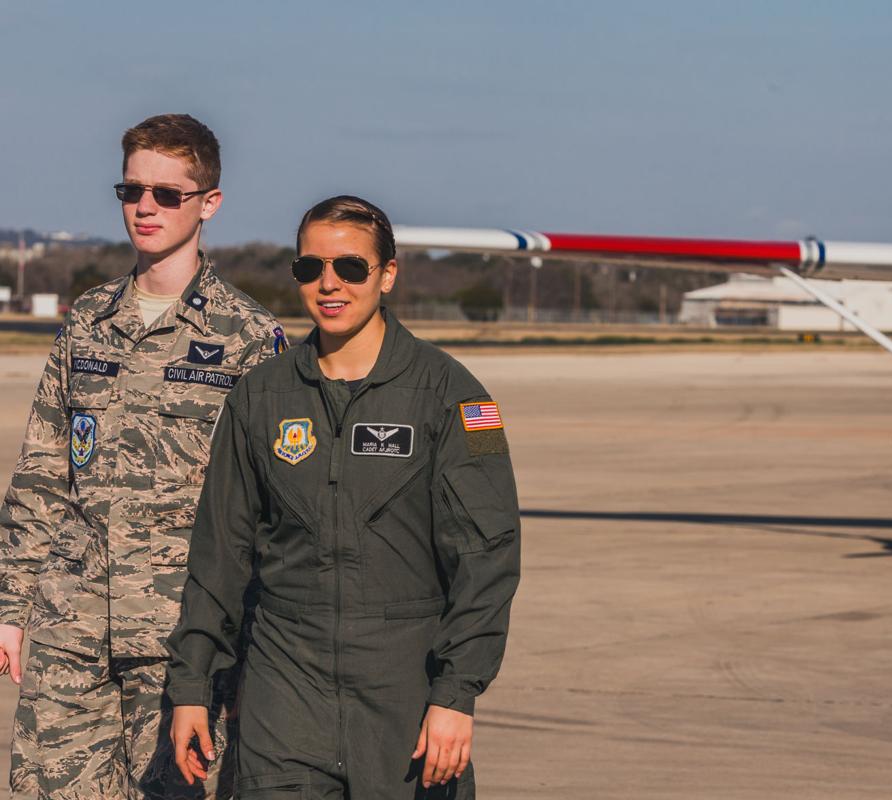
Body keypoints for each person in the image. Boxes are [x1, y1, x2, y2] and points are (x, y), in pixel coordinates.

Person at [166, 196, 520, 800]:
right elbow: (219, 553)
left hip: (402, 693)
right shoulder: (261, 397)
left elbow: (487, 559)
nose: (329, 284)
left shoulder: (449, 395)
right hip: (285, 690)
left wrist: (456, 697)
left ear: (387, 275)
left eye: (351, 268)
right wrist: (191, 686)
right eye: (310, 268)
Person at [0, 114, 287, 798]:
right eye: (132, 191)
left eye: (167, 193)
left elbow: (271, 513)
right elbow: (42, 473)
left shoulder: (249, 338)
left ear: (208, 203)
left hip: (181, 643)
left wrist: (250, 656)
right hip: (71, 629)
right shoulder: (87, 322)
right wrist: (10, 607)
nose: (146, 208)